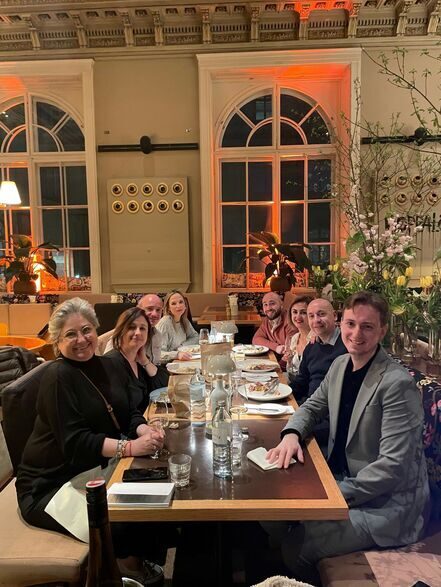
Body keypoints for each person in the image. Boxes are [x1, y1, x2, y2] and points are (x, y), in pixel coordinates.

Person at [266, 291, 430, 584]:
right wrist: (291, 434)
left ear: (382, 331)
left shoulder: (396, 384)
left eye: (367, 326)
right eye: (351, 324)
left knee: (297, 547)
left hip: (386, 506)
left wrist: (331, 495)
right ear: (341, 323)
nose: (356, 334)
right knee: (271, 515)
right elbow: (312, 407)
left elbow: (391, 468)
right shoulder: (341, 364)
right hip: (340, 478)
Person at [15, 297, 167, 581]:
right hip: (51, 485)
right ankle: (125, 570)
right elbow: (76, 443)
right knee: (121, 521)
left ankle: (137, 562)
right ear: (57, 340)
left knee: (155, 494)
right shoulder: (57, 377)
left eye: (86, 330)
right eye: (70, 334)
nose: (82, 339)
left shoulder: (107, 365)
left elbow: (128, 411)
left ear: (96, 330)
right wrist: (130, 447)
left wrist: (143, 429)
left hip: (93, 470)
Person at [102, 293, 169, 389]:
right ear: (138, 309)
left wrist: (145, 361)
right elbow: (108, 368)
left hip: (148, 383)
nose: (154, 314)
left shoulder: (156, 335)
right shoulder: (122, 337)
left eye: (158, 310)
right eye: (149, 309)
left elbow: (155, 366)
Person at [290, 297, 346, 404]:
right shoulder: (311, 347)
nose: (316, 320)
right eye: (311, 316)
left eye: (321, 314)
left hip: (326, 408)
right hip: (308, 405)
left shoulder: (347, 346)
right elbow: (301, 382)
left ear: (334, 316)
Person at [105, 306, 155, 414]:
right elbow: (120, 409)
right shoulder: (111, 363)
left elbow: (160, 384)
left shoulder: (139, 359)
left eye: (142, 328)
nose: (138, 333)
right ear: (121, 331)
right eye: (132, 327)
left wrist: (145, 361)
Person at [252, 292, 296, 368]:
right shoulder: (267, 321)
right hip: (274, 362)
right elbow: (256, 339)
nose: (268, 308)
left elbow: (289, 354)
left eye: (272, 303)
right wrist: (276, 347)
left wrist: (275, 368)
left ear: (281, 305)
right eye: (265, 304)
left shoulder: (290, 321)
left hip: (288, 367)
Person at [156, 290, 199, 360]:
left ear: (185, 305)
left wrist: (182, 347)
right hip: (167, 364)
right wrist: (177, 354)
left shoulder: (184, 320)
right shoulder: (164, 323)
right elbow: (157, 353)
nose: (178, 306)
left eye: (181, 302)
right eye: (173, 303)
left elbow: (195, 337)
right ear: (168, 308)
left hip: (181, 360)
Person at [283, 295, 314, 375]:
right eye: (295, 312)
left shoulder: (316, 338)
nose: (298, 316)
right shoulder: (294, 338)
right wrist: (289, 361)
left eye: (303, 312)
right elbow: (291, 372)